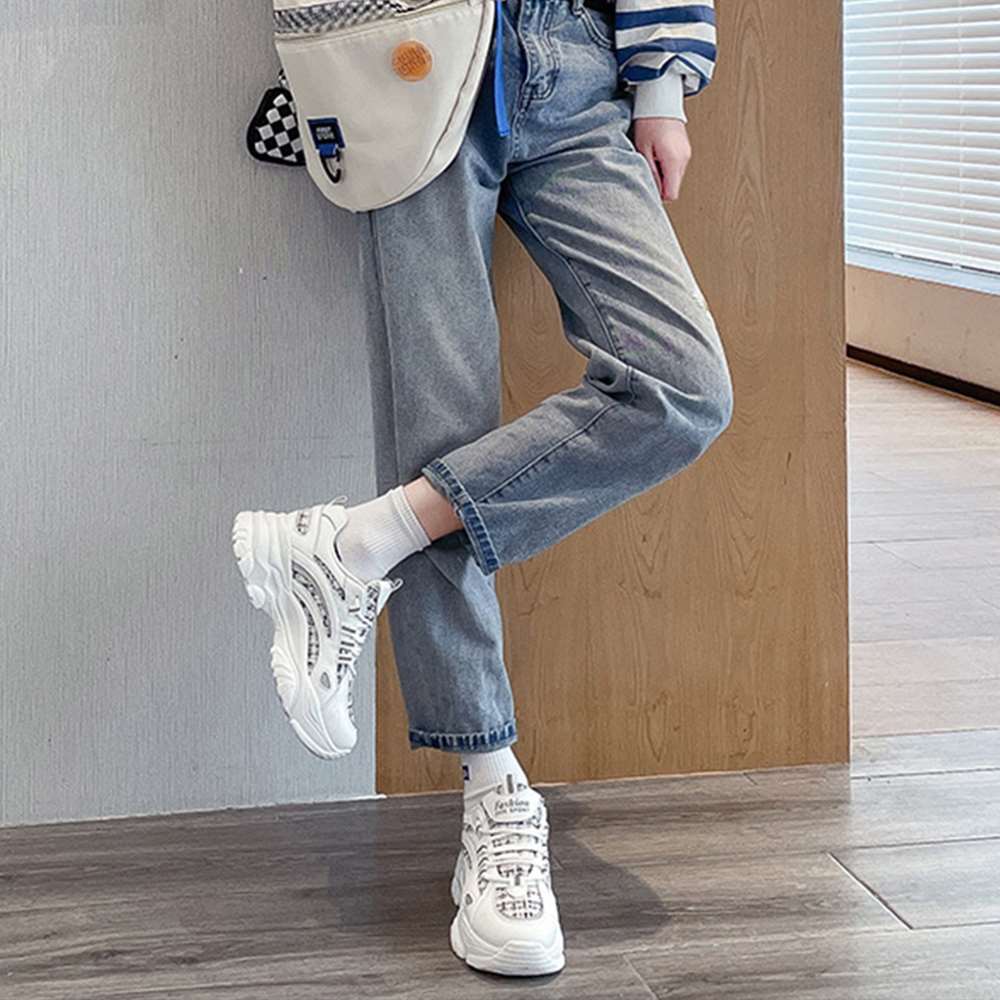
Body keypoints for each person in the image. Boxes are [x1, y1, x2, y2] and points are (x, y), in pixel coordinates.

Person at [232, 0, 730, 978]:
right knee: (440, 430)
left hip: (576, 61)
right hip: (408, 52)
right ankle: (492, 791)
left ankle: (354, 545)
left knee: (682, 387)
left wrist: (662, 85)